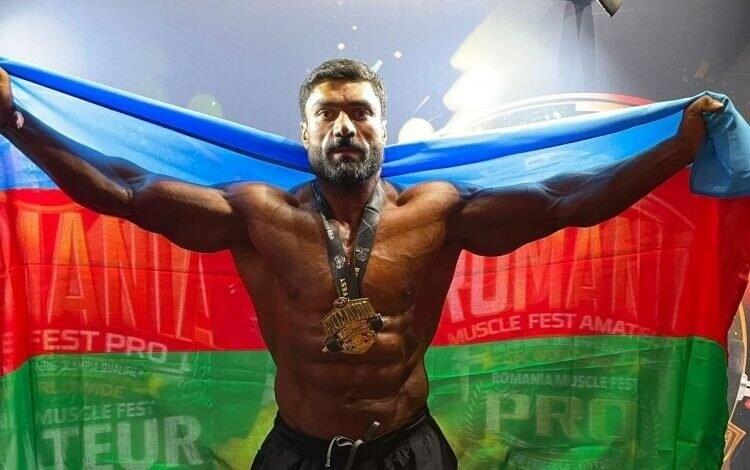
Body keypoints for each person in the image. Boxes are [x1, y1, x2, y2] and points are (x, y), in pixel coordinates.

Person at [0, 59, 724, 470]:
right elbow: (126, 191)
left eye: (360, 112)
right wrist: (15, 121)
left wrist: (678, 149)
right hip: (298, 451)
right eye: (327, 114)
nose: (344, 126)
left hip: (409, 448)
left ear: (383, 126)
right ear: (305, 131)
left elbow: (567, 202)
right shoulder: (258, 216)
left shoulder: (437, 212)